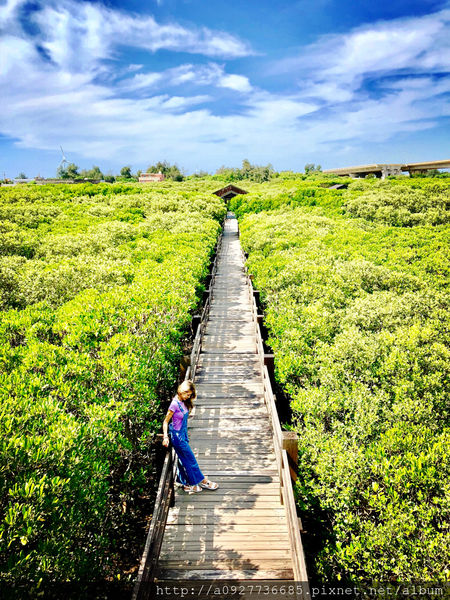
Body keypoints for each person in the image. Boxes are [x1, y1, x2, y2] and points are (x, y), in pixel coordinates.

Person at [162, 380, 219, 494]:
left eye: (189, 395)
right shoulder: (174, 404)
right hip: (177, 437)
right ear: (181, 391)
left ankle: (186, 483)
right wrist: (165, 437)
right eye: (187, 394)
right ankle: (202, 481)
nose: (188, 397)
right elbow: (166, 421)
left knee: (183, 460)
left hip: (183, 433)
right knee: (191, 459)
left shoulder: (184, 401)